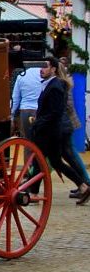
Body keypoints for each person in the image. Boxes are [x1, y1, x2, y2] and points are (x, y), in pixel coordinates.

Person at [30, 57, 90, 203]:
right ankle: (82, 185)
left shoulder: (55, 86)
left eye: (45, 66)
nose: (42, 69)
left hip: (50, 132)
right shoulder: (52, 84)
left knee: (41, 160)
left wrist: (38, 122)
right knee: (56, 162)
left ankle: (33, 193)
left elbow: (55, 112)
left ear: (53, 69)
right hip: (51, 130)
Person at [11, 64, 44, 140]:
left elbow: (15, 98)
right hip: (40, 110)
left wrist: (12, 115)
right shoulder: (44, 75)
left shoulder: (21, 76)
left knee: (27, 140)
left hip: (25, 110)